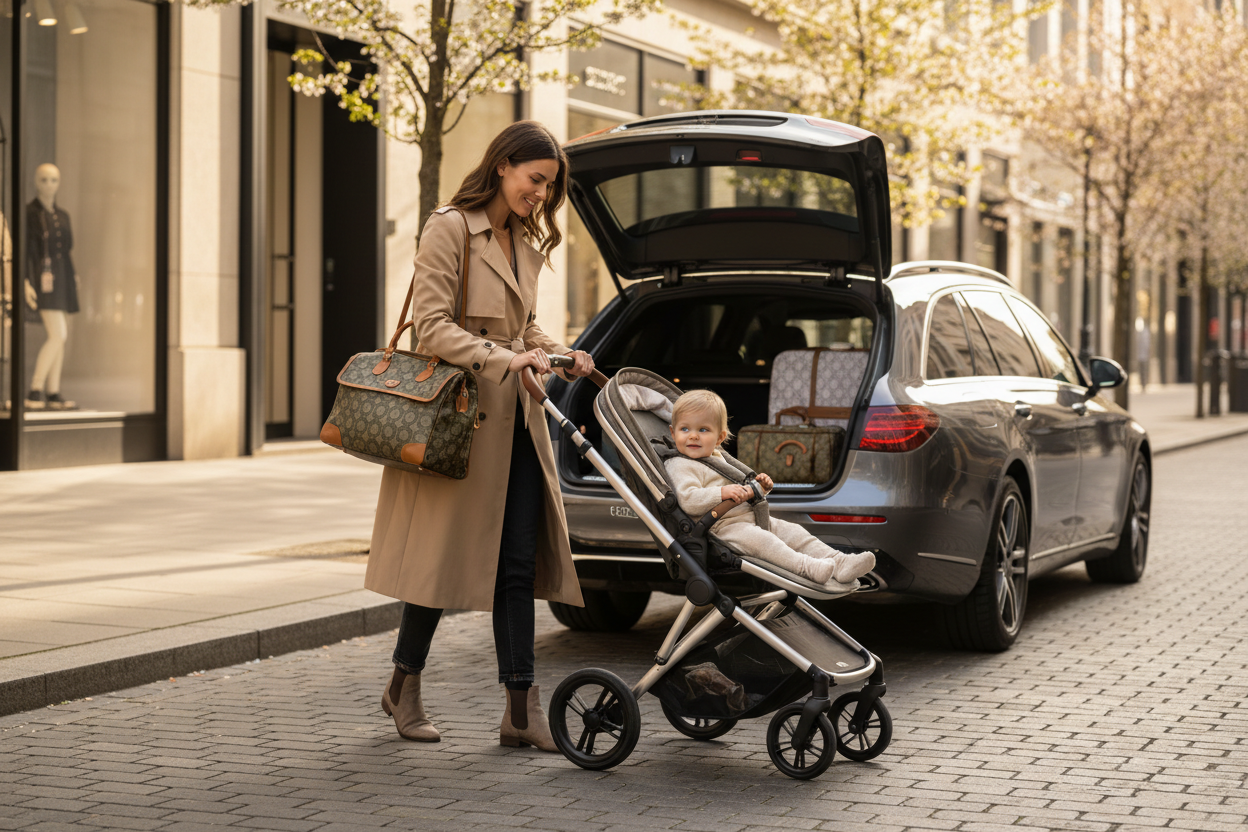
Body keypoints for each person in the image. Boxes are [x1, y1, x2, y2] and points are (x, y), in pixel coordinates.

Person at [366, 121, 595, 751]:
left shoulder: (522, 238)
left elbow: (524, 328)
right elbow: (432, 327)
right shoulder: (449, 227)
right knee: (439, 562)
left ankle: (520, 710)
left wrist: (560, 354)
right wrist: (506, 359)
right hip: (459, 423)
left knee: (517, 562)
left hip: (516, 424)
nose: (540, 195)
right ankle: (404, 685)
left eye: (548, 187)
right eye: (535, 180)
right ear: (502, 165)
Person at [663, 389, 874, 591]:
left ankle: (839, 562)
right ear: (673, 433)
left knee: (795, 532)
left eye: (703, 430)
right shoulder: (680, 465)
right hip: (720, 528)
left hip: (746, 518)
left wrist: (759, 488)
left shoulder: (716, 458)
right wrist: (722, 493)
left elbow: (738, 492)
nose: (693, 436)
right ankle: (807, 567)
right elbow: (688, 499)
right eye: (685, 429)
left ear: (719, 438)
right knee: (766, 542)